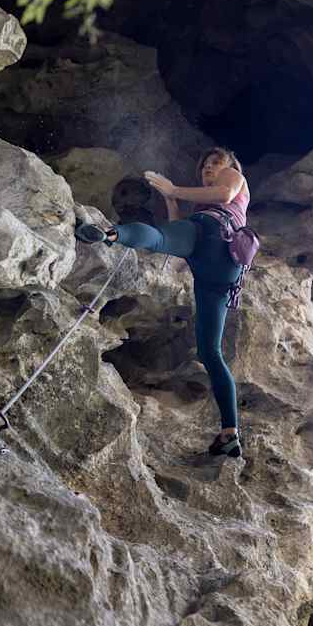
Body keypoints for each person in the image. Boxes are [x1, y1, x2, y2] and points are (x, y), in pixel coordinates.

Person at [75, 147, 249, 458]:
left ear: (230, 165)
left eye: (215, 162)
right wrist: (170, 200)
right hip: (221, 272)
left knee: (155, 237)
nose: (209, 168)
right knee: (210, 352)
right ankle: (230, 432)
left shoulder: (233, 176)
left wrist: (174, 189)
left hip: (215, 233)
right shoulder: (204, 206)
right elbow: (176, 229)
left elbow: (224, 194)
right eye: (205, 165)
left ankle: (110, 235)